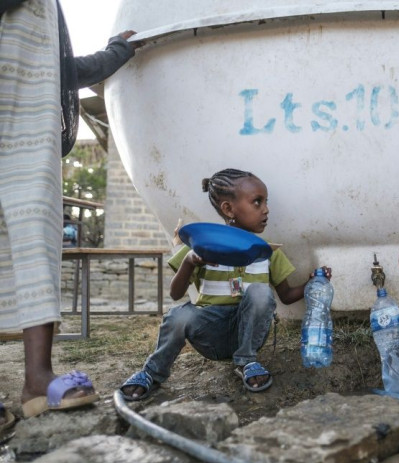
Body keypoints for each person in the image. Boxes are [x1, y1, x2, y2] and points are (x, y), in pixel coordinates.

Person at [0, 0, 142, 423]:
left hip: (29, 128)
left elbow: (60, 71)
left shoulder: (45, 9)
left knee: (35, 230)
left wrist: (116, 52)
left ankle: (37, 380)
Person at [120, 169, 331, 400]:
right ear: (228, 209)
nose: (266, 209)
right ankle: (152, 372)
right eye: (257, 202)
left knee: (261, 291)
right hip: (210, 333)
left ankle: (247, 362)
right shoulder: (203, 246)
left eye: (265, 202)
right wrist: (190, 262)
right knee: (178, 315)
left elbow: (287, 295)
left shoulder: (268, 252)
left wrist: (313, 282)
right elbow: (175, 293)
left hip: (248, 335)